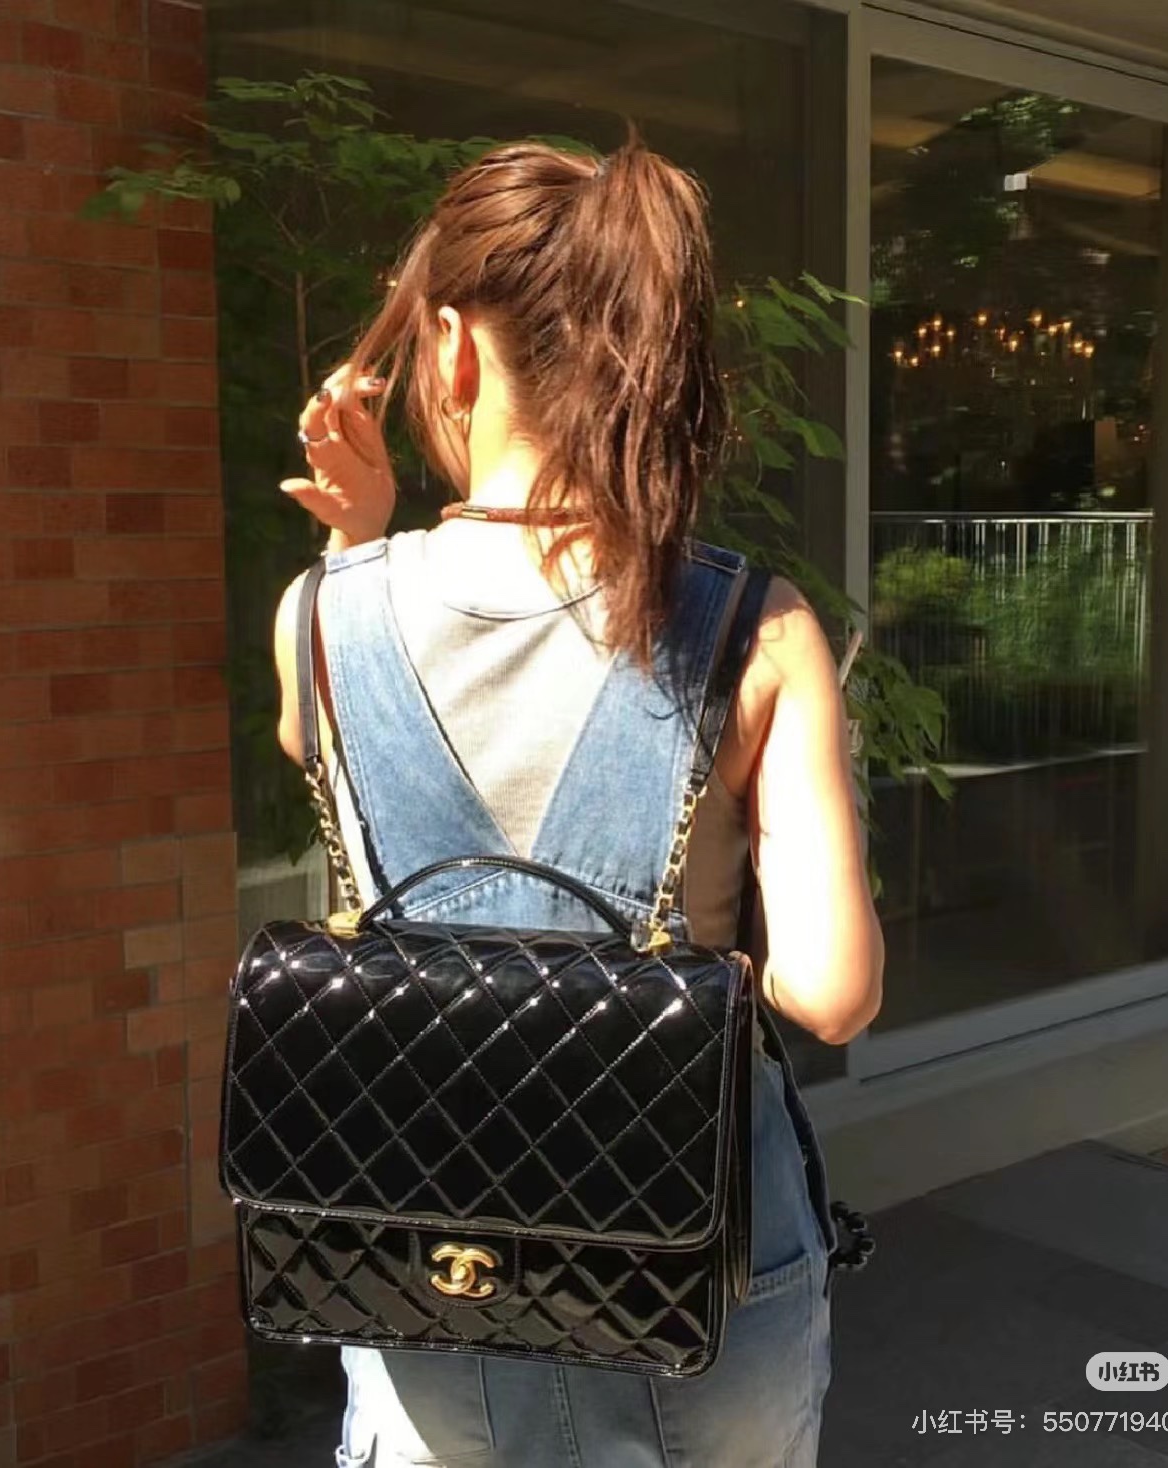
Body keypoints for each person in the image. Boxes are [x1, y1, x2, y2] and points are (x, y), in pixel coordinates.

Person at [273, 137, 883, 1468]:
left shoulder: (318, 616)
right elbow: (833, 994)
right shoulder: (755, 626)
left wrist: (354, 542)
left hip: (421, 1266)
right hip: (699, 1272)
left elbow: (324, 749)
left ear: (449, 348)